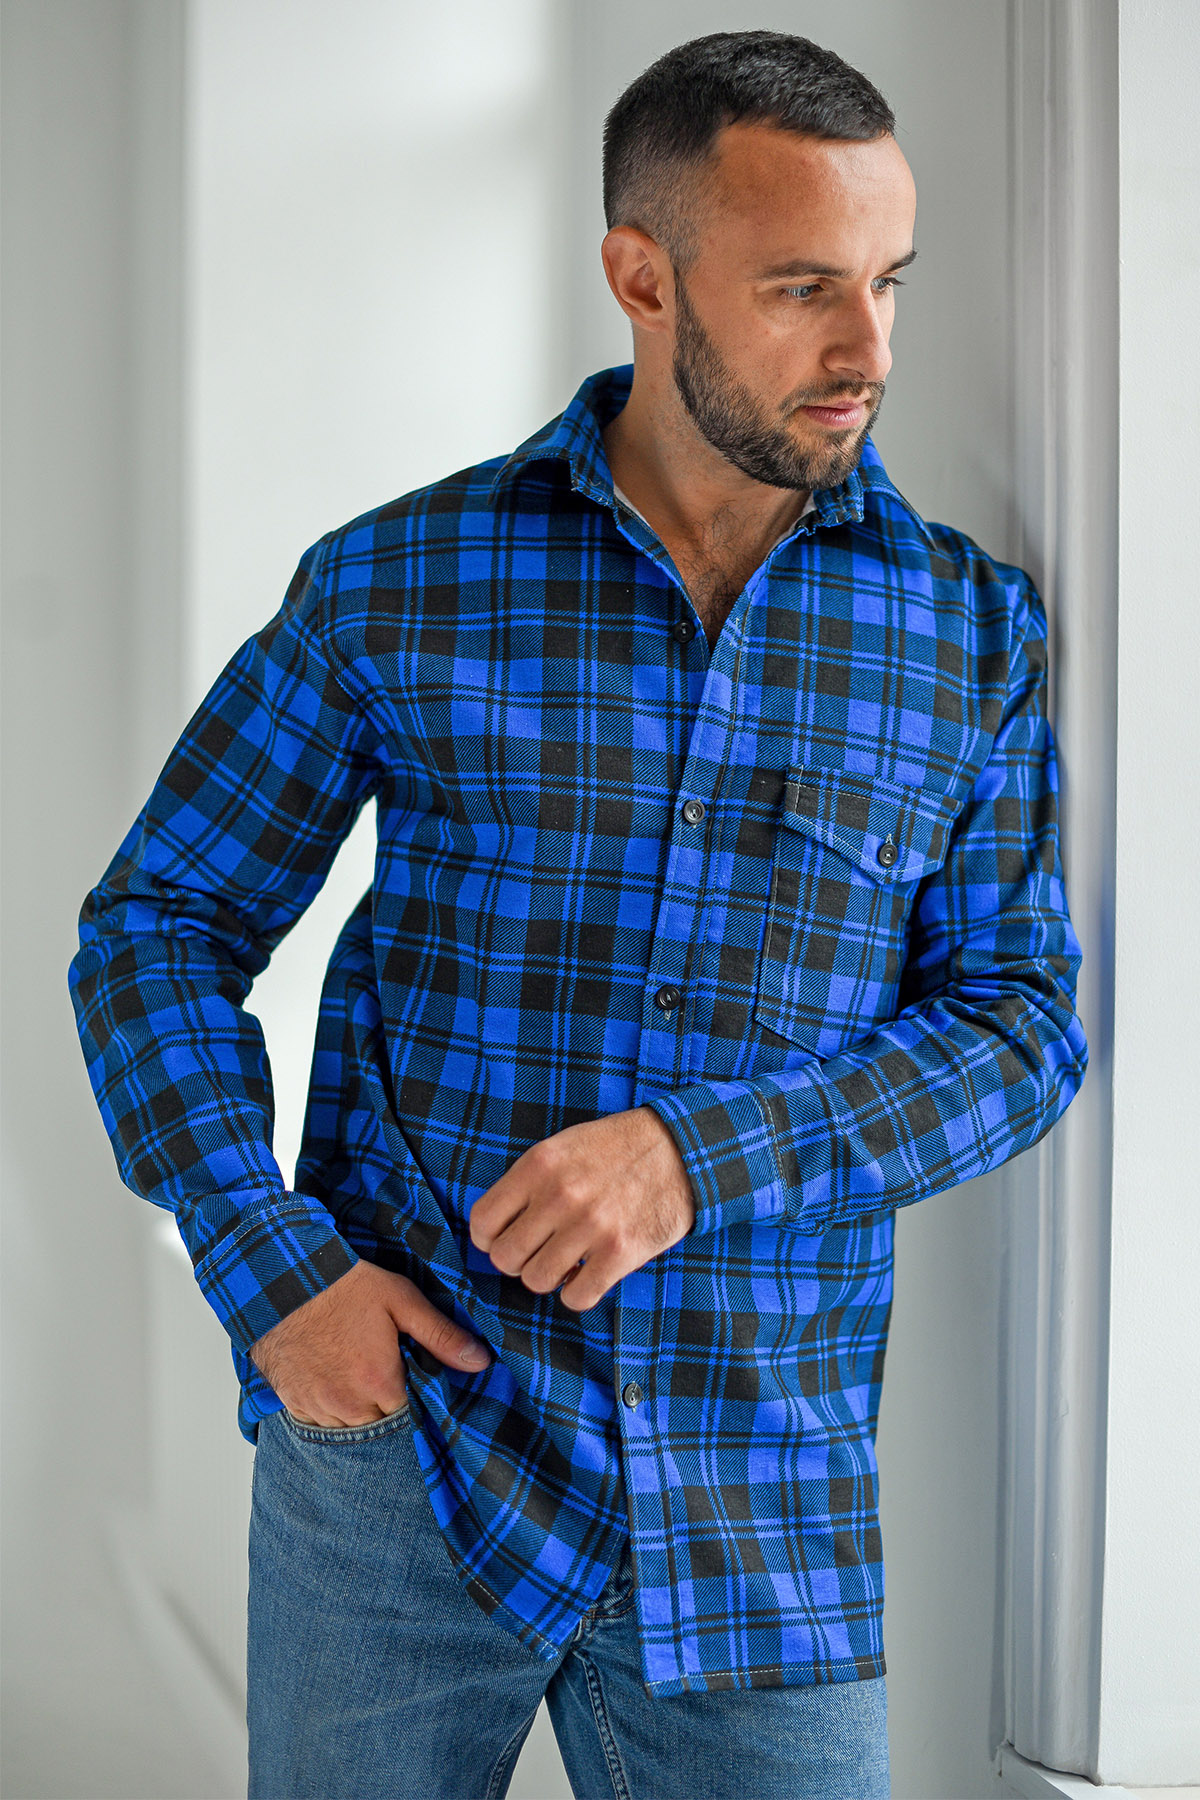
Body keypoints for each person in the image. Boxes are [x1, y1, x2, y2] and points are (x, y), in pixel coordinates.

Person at [68, 29, 1087, 1800]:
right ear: (642, 275)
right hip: (408, 1456)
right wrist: (275, 1275)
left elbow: (1020, 1030)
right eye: (803, 289)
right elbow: (159, 922)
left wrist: (695, 1159)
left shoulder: (964, 634)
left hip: (757, 1504)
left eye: (889, 282)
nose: (868, 350)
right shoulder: (400, 583)